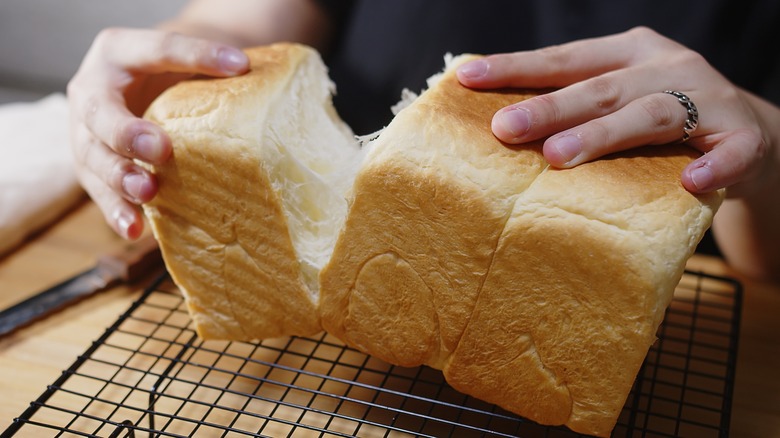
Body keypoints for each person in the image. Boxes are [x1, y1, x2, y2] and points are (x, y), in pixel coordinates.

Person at [66, 0, 780, 281]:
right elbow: (250, 25)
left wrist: (762, 143)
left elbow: (766, 261)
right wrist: (173, 65)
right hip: (310, 357)